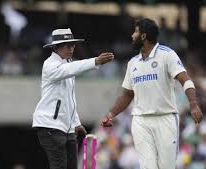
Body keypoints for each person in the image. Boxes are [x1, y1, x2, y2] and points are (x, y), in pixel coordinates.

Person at [101, 18, 203, 169]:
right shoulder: (132, 63)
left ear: (143, 36)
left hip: (165, 118)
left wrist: (193, 105)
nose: (132, 36)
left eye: (135, 31)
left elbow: (186, 80)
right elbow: (127, 95)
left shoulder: (167, 55)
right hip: (140, 121)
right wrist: (110, 114)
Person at [33, 28, 114, 169]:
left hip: (67, 127)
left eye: (73, 45)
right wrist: (95, 61)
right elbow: (71, 69)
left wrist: (76, 122)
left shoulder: (67, 64)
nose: (71, 48)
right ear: (56, 47)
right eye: (67, 45)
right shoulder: (49, 65)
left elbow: (69, 99)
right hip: (50, 126)